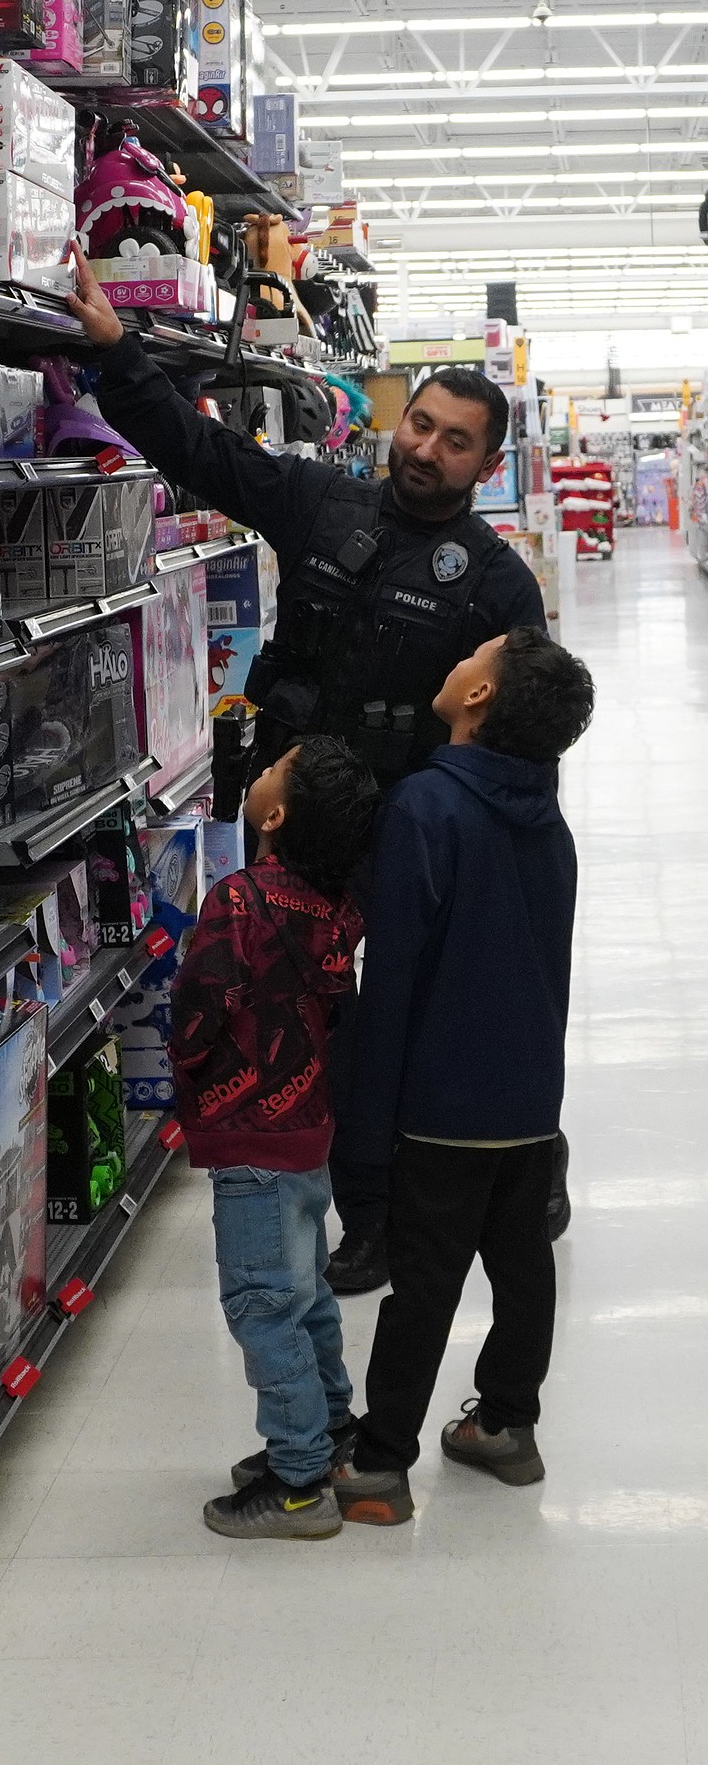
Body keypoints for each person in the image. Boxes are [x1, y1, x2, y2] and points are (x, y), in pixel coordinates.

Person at [66, 244, 564, 1297]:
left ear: (486, 467)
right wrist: (117, 352)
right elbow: (199, 449)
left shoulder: (497, 585)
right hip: (294, 810)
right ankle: (317, 1190)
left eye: (455, 441)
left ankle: (389, 1210)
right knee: (298, 1014)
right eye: (420, 424)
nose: (425, 447)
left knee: (398, 1022)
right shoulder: (318, 501)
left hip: (412, 829)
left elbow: (526, 733)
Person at [331, 627, 594, 1526]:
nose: (457, 661)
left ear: (479, 697)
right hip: (529, 1097)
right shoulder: (549, 821)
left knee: (423, 1283)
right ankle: (508, 1425)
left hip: (440, 1105)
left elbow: (394, 977)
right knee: (524, 1266)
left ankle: (379, 1463)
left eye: (473, 656)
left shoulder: (424, 808)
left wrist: (366, 1133)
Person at [167, 734, 378, 1540]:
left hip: (250, 1133)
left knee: (262, 1304)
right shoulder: (338, 907)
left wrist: (190, 1067)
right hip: (307, 1128)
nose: (255, 772)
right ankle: (330, 1428)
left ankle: (297, 1480)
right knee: (306, 1289)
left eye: (271, 771)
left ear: (276, 816)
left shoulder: (237, 901)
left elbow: (199, 1008)